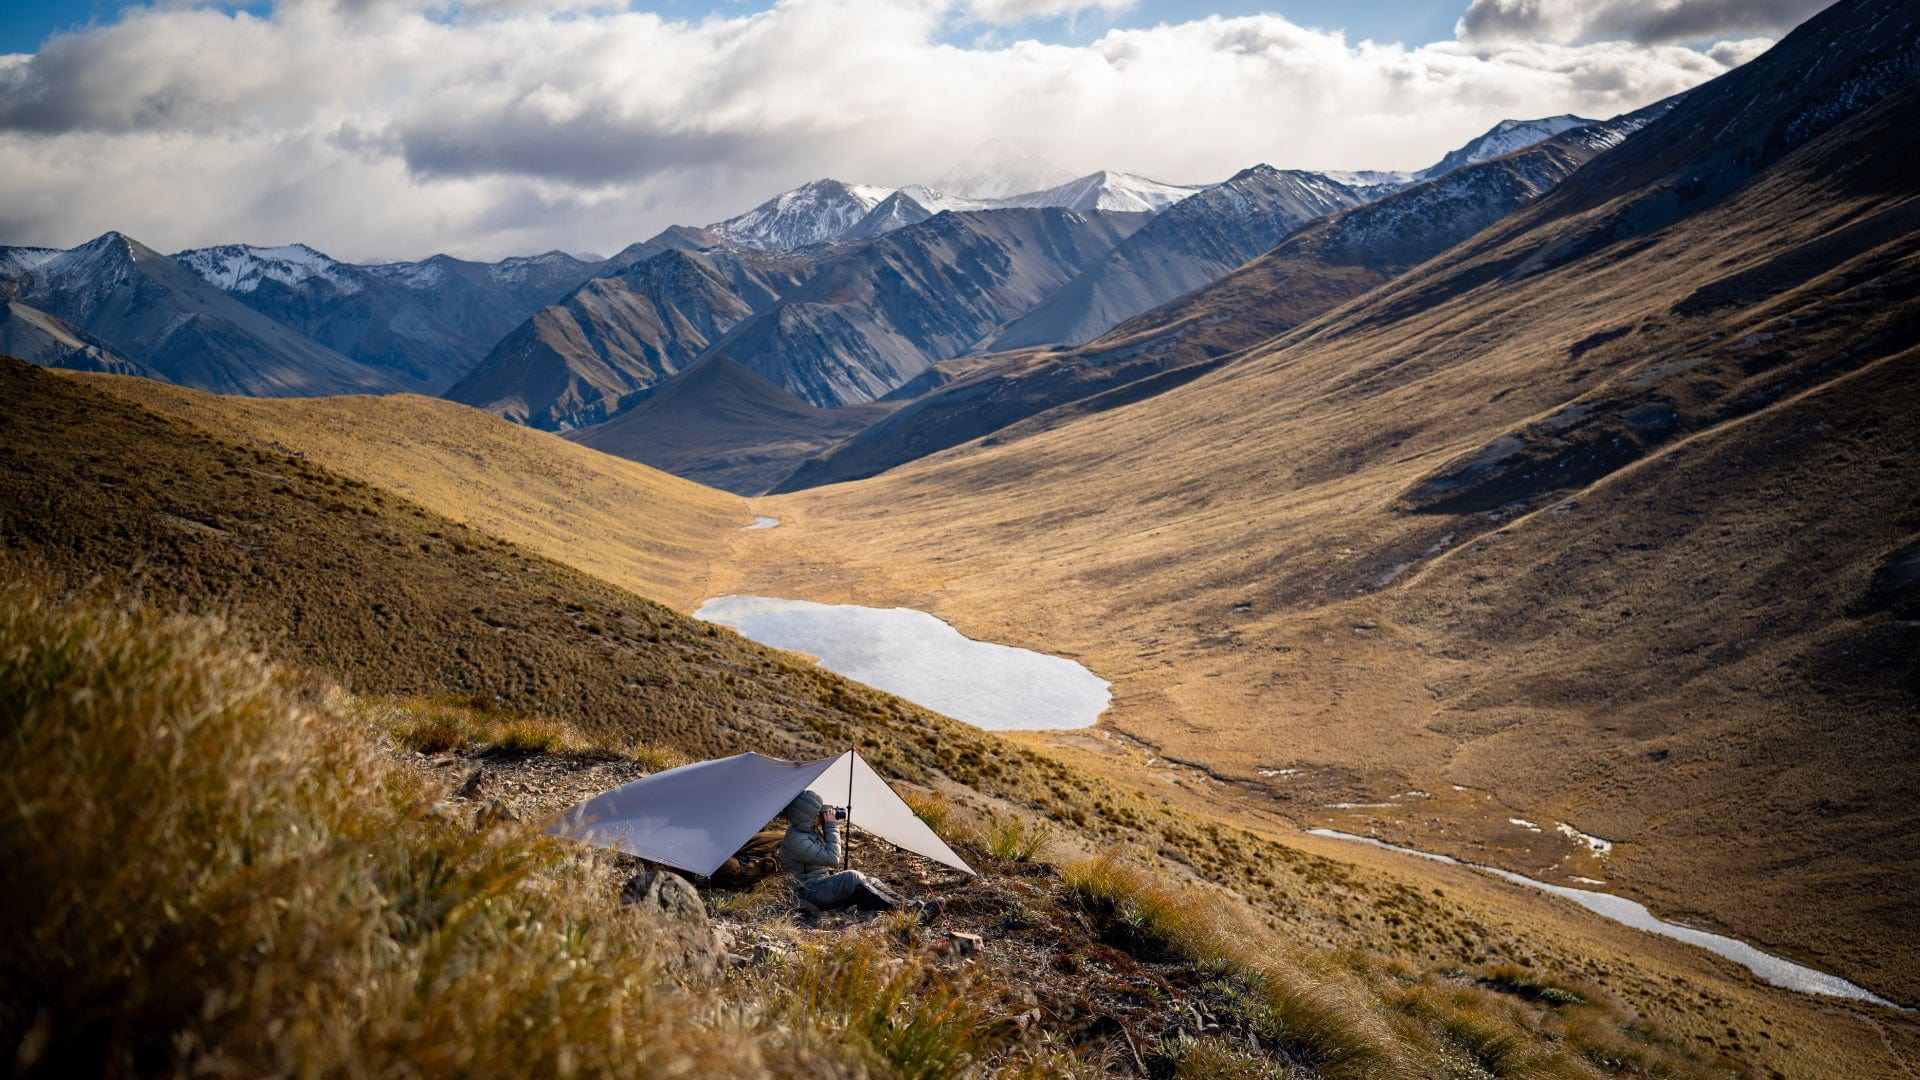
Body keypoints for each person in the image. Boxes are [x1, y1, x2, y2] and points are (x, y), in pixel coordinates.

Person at [778, 790, 934, 916]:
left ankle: (910, 907)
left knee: (870, 881)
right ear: (809, 817)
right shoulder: (795, 839)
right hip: (805, 894)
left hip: (816, 888)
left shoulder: (809, 833)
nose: (822, 816)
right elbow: (832, 858)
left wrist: (826, 827)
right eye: (819, 814)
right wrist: (832, 827)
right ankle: (907, 912)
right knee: (851, 877)